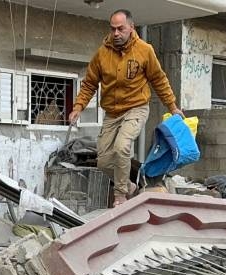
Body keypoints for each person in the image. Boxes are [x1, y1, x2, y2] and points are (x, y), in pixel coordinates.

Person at [67, 9, 182, 207]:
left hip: (136, 108)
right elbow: (89, 84)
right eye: (113, 29)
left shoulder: (145, 50)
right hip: (112, 113)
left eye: (120, 28)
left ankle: (120, 195)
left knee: (122, 148)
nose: (116, 33)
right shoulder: (102, 54)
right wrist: (78, 106)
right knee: (103, 162)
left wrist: (172, 106)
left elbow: (159, 80)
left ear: (131, 27)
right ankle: (128, 185)